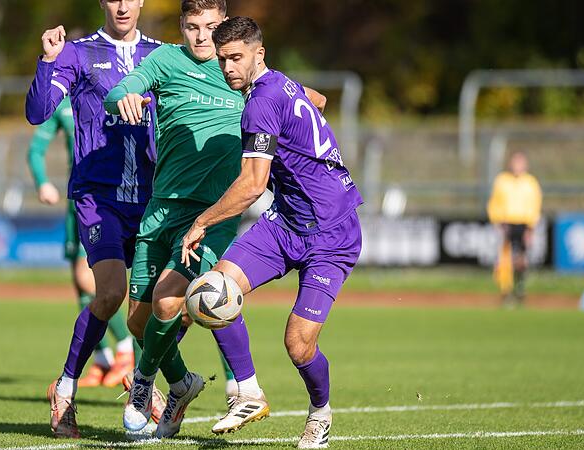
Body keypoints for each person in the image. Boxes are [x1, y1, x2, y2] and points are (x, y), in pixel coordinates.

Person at [104, 0, 295, 438]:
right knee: (138, 322)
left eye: (211, 26)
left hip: (211, 215)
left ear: (224, 27)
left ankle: (142, 385)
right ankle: (182, 384)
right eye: (192, 27)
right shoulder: (166, 60)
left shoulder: (238, 70)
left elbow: (297, 99)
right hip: (161, 207)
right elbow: (120, 90)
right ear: (182, 27)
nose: (202, 36)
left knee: (171, 302)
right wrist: (126, 96)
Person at [180, 17, 363, 449]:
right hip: (287, 222)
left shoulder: (260, 102)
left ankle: (320, 412)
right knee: (214, 288)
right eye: (223, 59)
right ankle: (247, 392)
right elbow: (314, 99)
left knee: (298, 345)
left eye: (236, 58)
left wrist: (201, 221)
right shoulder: (279, 84)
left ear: (258, 54)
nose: (228, 68)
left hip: (331, 233)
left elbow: (252, 184)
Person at [24, 0, 166, 438]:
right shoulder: (78, 52)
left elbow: (225, 85)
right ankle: (65, 389)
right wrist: (48, 61)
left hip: (150, 198)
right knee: (108, 294)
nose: (122, 5)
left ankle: (145, 385)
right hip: (98, 198)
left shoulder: (164, 55)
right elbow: (37, 112)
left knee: (158, 307)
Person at [26, 97, 135, 388]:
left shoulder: (109, 93)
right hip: (77, 203)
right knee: (80, 286)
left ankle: (125, 348)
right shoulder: (61, 104)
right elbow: (36, 150)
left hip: (106, 203)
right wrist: (42, 182)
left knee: (89, 281)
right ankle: (101, 360)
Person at [487, 151, 542, 307]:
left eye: (520, 163)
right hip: (506, 223)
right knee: (504, 260)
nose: (517, 166)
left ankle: (520, 287)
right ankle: (505, 290)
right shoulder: (502, 181)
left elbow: (535, 205)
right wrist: (497, 221)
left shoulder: (531, 183)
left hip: (523, 224)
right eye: (515, 162)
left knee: (520, 259)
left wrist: (531, 227)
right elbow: (494, 203)